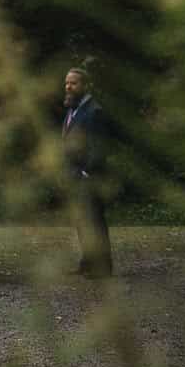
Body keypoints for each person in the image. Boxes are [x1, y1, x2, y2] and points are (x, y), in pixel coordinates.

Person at [62, 67, 113, 277]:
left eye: (73, 83)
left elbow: (98, 147)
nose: (68, 86)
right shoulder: (73, 109)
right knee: (82, 222)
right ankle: (87, 262)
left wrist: (86, 173)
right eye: (66, 83)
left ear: (85, 85)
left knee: (95, 222)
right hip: (74, 177)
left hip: (89, 178)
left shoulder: (94, 111)